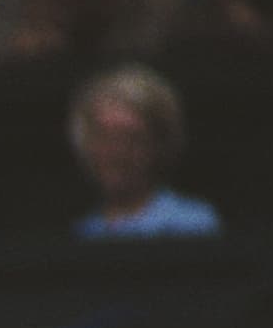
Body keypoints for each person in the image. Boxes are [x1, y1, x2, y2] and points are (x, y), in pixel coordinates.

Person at [67, 65, 219, 239]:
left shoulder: (193, 225)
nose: (116, 151)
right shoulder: (84, 232)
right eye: (104, 136)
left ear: (159, 143)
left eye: (131, 138)